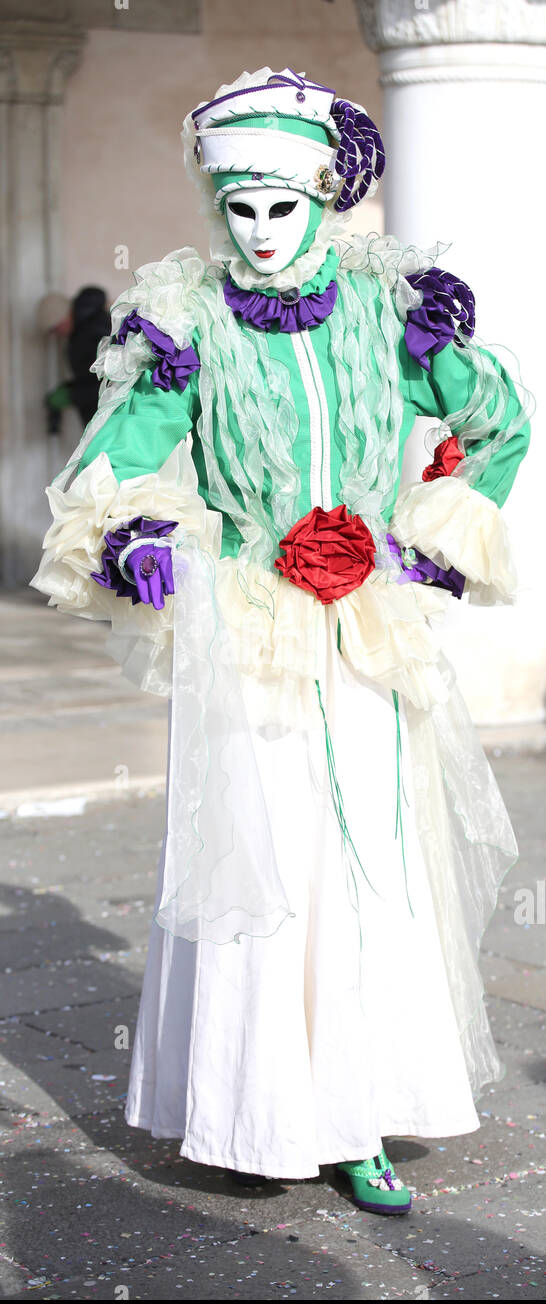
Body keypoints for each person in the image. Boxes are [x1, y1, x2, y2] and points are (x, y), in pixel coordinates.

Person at [31, 67, 532, 1216]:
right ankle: (257, 1112)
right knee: (268, 866)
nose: (259, 233)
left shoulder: (384, 310)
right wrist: (133, 539)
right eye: (238, 209)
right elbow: (109, 461)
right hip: (249, 626)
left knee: (367, 863)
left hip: (366, 627)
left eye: (283, 206)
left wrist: (421, 541)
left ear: (321, 194)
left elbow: (495, 417)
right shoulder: (187, 323)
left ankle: (357, 1118)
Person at [44, 286, 111, 433]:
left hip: (111, 418)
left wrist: (73, 395)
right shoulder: (85, 331)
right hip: (106, 417)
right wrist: (72, 389)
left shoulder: (93, 331)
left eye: (57, 327)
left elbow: (111, 380)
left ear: (66, 314)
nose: (58, 333)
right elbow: (91, 375)